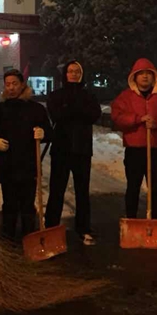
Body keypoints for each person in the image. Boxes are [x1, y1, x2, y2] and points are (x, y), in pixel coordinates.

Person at [111, 58, 157, 220]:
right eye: (140, 73)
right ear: (134, 77)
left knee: (155, 188)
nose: (144, 76)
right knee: (133, 187)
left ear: (154, 76)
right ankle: (131, 219)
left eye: (148, 73)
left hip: (156, 149)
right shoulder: (125, 97)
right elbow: (117, 116)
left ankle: (155, 219)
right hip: (134, 149)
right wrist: (137, 119)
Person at [44, 60, 102, 245]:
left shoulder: (89, 95)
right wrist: (77, 110)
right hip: (61, 148)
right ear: (65, 74)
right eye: (70, 71)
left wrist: (70, 109)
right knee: (57, 190)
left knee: (82, 191)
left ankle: (84, 228)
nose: (74, 74)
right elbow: (57, 115)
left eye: (77, 71)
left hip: (82, 149)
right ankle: (51, 226)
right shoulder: (56, 95)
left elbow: (94, 115)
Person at [0, 69, 52, 240]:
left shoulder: (35, 109)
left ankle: (29, 237)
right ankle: (8, 237)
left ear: (22, 85)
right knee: (9, 204)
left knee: (27, 204)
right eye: (8, 84)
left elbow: (49, 132)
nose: (11, 88)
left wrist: (43, 133)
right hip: (7, 165)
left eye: (15, 84)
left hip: (28, 164)